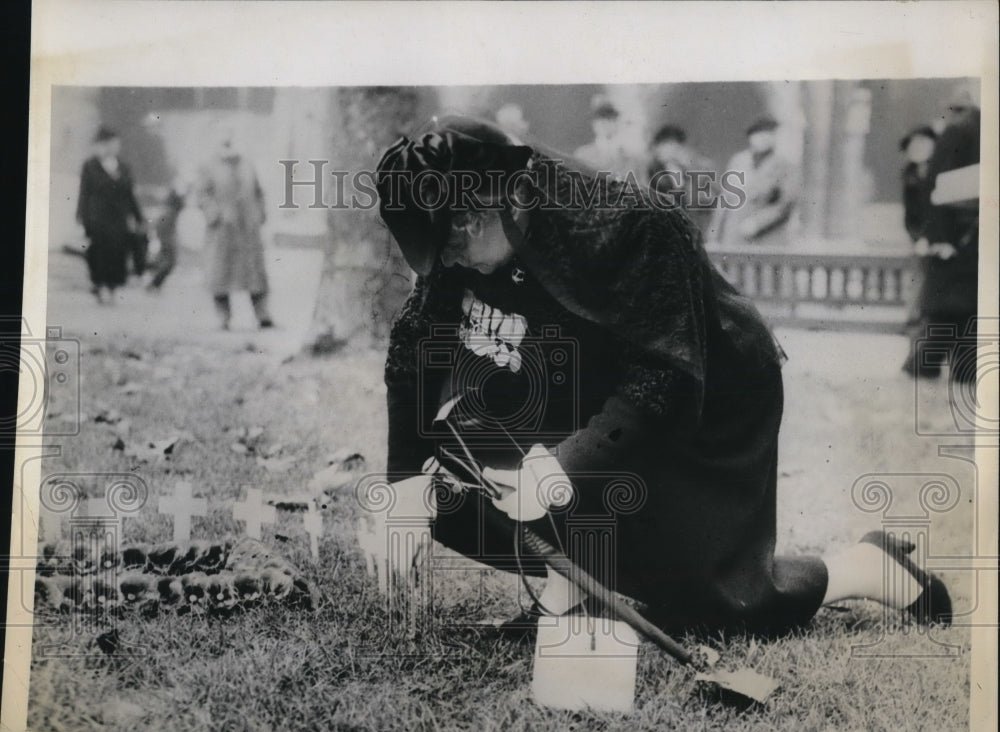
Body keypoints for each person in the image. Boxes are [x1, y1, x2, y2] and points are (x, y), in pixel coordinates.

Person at [375, 115, 952, 639]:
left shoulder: (627, 224)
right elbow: (415, 344)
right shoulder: (467, 229)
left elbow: (662, 375)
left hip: (704, 389)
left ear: (499, 201)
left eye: (454, 239)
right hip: (587, 381)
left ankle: (868, 567)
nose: (446, 261)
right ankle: (569, 593)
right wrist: (402, 481)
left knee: (714, 607)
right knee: (446, 491)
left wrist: (560, 466)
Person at [904, 89, 980, 382]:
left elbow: (933, 190)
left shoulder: (955, 133)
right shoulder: (967, 132)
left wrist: (939, 238)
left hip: (953, 244)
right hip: (962, 243)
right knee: (959, 314)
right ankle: (954, 371)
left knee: (949, 314)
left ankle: (932, 368)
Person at [196, 125, 273, 330]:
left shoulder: (247, 163)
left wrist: (260, 213)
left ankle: (262, 315)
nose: (228, 142)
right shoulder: (209, 165)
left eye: (231, 137)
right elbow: (202, 195)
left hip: (247, 227)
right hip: (223, 229)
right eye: (223, 139)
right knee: (220, 274)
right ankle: (223, 317)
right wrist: (215, 214)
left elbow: (258, 191)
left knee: (255, 274)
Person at [75, 126, 145, 304]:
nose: (113, 147)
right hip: (97, 219)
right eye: (108, 144)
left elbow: (130, 195)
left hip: (118, 220)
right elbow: (84, 193)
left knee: (117, 254)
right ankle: (100, 287)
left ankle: (112, 288)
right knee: (98, 254)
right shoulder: (90, 166)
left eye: (116, 144)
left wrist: (138, 217)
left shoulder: (123, 167)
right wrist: (81, 219)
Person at [709, 115, 798, 247]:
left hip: (768, 238)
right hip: (734, 236)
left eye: (769, 133)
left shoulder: (784, 166)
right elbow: (724, 201)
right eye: (758, 134)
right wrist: (714, 236)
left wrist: (757, 223)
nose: (763, 138)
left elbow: (786, 204)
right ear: (750, 137)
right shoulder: (738, 161)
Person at [897, 126, 939, 376]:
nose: (919, 149)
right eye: (914, 145)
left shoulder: (941, 171)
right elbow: (910, 218)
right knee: (916, 301)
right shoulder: (909, 176)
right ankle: (917, 357)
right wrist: (919, 240)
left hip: (942, 243)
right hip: (920, 246)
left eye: (924, 143)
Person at [646, 124, 718, 234]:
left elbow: (707, 200)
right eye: (666, 146)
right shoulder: (651, 169)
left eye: (675, 146)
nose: (671, 151)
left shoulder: (685, 170)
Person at [573, 98, 641, 182]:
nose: (604, 123)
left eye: (609, 118)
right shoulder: (583, 155)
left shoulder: (630, 160)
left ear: (617, 122)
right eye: (599, 118)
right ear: (593, 124)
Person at [145, 179, 187, 292]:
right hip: (167, 240)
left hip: (166, 239)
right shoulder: (170, 212)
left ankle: (155, 283)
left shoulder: (169, 211)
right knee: (169, 262)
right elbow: (160, 226)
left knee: (166, 262)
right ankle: (154, 283)